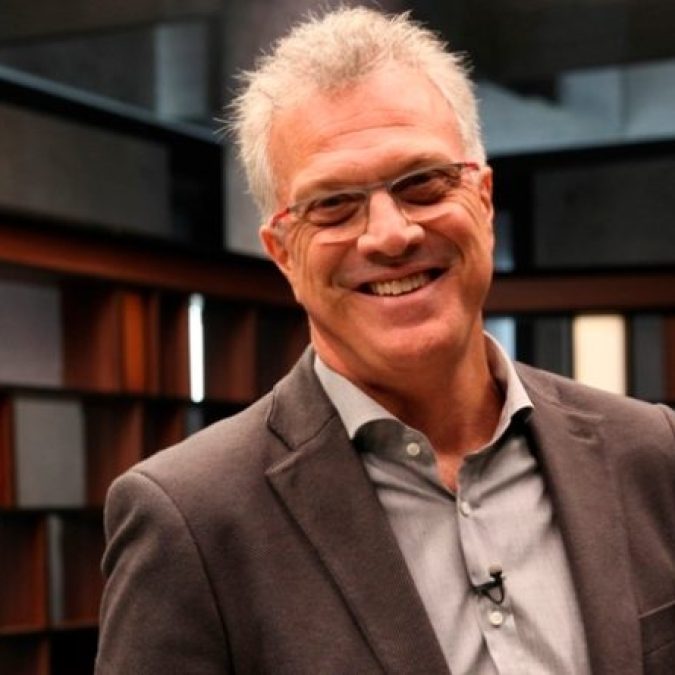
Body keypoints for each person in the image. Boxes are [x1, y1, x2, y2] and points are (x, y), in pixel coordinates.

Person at [95, 7, 675, 675]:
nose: (390, 235)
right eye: (332, 204)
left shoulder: (651, 455)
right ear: (282, 253)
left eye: (423, 183)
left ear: (484, 200)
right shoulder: (191, 520)